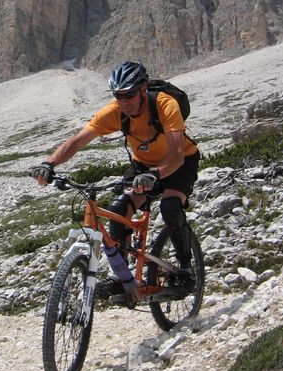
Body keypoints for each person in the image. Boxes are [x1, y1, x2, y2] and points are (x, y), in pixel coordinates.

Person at [31, 61, 200, 305]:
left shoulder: (165, 104)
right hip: (143, 166)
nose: (124, 101)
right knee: (118, 209)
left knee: (171, 206)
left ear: (143, 90)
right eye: (118, 96)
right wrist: (49, 164)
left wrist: (155, 175)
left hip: (179, 163)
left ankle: (186, 270)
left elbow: (176, 154)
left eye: (130, 95)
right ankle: (121, 277)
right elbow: (78, 141)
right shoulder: (115, 112)